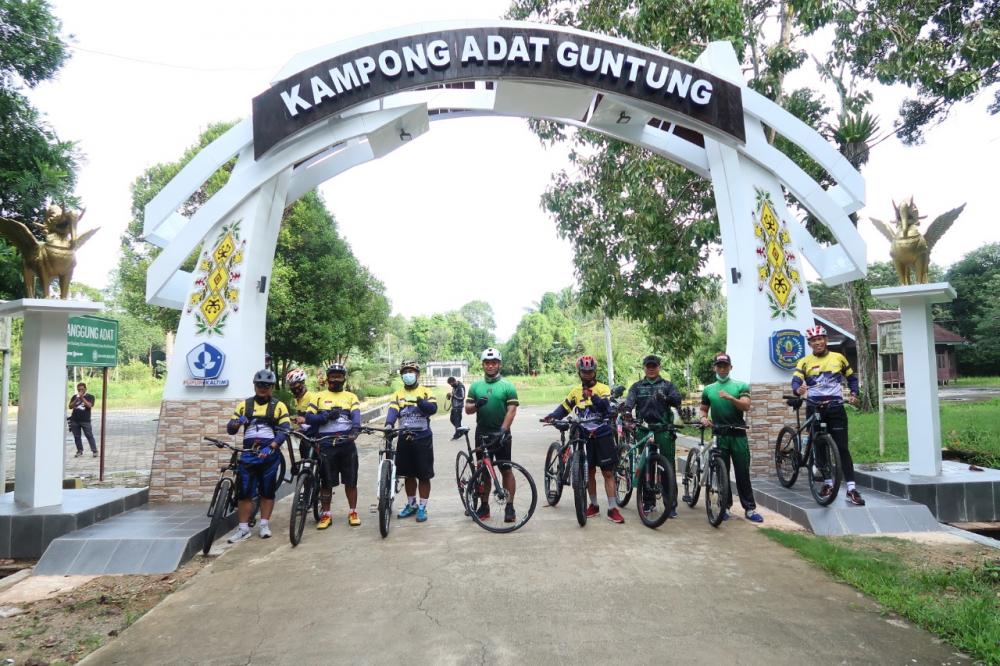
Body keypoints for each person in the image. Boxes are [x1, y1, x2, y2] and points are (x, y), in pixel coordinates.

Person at [542, 356, 623, 523]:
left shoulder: (603, 389)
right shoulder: (575, 391)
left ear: (594, 372)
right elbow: (565, 407)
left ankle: (612, 508)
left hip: (602, 434)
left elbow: (607, 409)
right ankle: (594, 505)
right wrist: (552, 416)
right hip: (584, 436)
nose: (587, 374)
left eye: (590, 371)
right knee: (590, 471)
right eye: (584, 372)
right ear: (580, 372)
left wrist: (593, 396)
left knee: (608, 472)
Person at [791, 326, 865, 506]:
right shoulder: (804, 362)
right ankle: (827, 483)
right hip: (814, 408)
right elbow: (796, 380)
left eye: (820, 339)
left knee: (842, 448)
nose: (818, 342)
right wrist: (798, 389)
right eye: (813, 340)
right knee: (819, 446)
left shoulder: (838, 358)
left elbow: (852, 378)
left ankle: (851, 489)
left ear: (826, 340)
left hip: (835, 407)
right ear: (809, 344)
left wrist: (854, 393)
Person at [224, 369, 291, 542]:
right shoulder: (244, 405)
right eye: (260, 385)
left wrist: (272, 446)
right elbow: (230, 429)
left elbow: (285, 430)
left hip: (269, 455)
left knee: (267, 491)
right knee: (244, 492)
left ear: (272, 387)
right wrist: (237, 423)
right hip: (248, 455)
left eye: (266, 385)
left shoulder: (279, 406)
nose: (263, 388)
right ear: (254, 386)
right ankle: (243, 529)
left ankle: (264, 525)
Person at [697, 353, 763, 523]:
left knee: (742, 472)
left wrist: (731, 398)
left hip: (738, 434)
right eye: (719, 366)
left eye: (725, 366)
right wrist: (703, 418)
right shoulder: (709, 389)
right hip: (719, 434)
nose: (722, 369)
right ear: (714, 368)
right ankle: (724, 507)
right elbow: (703, 409)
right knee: (722, 472)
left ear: (730, 367)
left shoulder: (740, 385)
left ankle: (749, 509)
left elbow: (746, 406)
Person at [622, 354, 683, 517]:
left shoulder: (667, 385)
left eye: (654, 366)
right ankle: (648, 503)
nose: (651, 369)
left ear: (659, 367)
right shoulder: (637, 387)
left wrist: (667, 398)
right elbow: (629, 402)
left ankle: (670, 505)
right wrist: (627, 412)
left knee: (667, 467)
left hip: (663, 430)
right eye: (648, 366)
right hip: (643, 430)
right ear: (644, 368)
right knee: (646, 466)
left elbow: (677, 400)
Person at [305, 363, 363, 528]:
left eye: (339, 376)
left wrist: (355, 430)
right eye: (333, 376)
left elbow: (356, 416)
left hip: (346, 443)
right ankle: (326, 514)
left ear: (344, 378)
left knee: (351, 481)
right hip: (325, 444)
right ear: (328, 378)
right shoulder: (318, 397)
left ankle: (353, 512)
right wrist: (325, 417)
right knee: (326, 482)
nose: (336, 379)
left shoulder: (351, 397)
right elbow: (309, 417)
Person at [465, 348, 519, 523]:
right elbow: (467, 409)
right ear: (483, 365)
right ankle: (484, 506)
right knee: (483, 471)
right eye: (487, 363)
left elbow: (511, 410)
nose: (490, 366)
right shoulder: (476, 386)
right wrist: (477, 406)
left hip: (502, 433)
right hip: (482, 433)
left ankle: (509, 506)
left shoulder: (508, 386)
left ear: (499, 365)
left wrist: (503, 430)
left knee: (506, 469)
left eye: (494, 363)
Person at [386, 361, 438, 522]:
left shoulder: (426, 391)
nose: (408, 374)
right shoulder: (398, 394)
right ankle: (411, 504)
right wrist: (389, 424)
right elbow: (393, 410)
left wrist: (422, 403)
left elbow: (433, 409)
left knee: (424, 475)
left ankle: (422, 507)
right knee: (408, 475)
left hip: (423, 438)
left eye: (411, 372)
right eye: (405, 372)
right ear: (402, 375)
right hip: (404, 438)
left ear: (418, 374)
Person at [287, 368, 319, 462]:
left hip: (314, 435)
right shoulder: (297, 399)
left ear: (302, 382)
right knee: (303, 455)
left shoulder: (312, 397)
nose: (293, 387)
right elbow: (301, 417)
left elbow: (315, 418)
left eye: (295, 384)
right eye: (291, 385)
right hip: (305, 435)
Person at [68, 382, 98, 457]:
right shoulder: (75, 396)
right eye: (79, 389)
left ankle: (94, 451)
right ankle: (79, 451)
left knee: (89, 435)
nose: (80, 391)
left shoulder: (90, 396)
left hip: (85, 420)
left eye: (82, 389)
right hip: (75, 420)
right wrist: (77, 399)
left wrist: (82, 398)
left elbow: (89, 405)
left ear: (85, 389)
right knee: (77, 437)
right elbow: (70, 406)